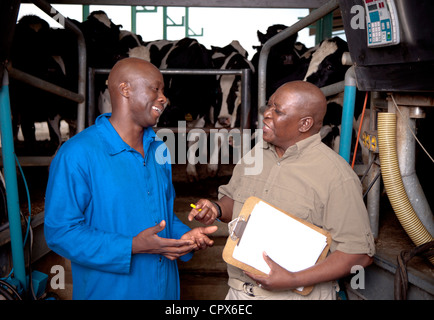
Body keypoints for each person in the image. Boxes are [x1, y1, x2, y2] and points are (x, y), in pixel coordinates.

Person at [44, 57, 217, 300]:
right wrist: (132, 246)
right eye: (155, 88)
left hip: (164, 291)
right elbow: (61, 233)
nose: (163, 98)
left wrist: (183, 237)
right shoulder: (78, 153)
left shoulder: (159, 151)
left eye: (164, 91)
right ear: (125, 89)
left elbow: (162, 218)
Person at [188, 80, 375, 300]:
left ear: (304, 124)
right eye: (268, 106)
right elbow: (237, 203)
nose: (266, 114)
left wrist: (294, 279)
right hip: (239, 291)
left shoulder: (336, 176)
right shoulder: (256, 155)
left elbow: (359, 255)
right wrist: (217, 208)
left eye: (277, 111)